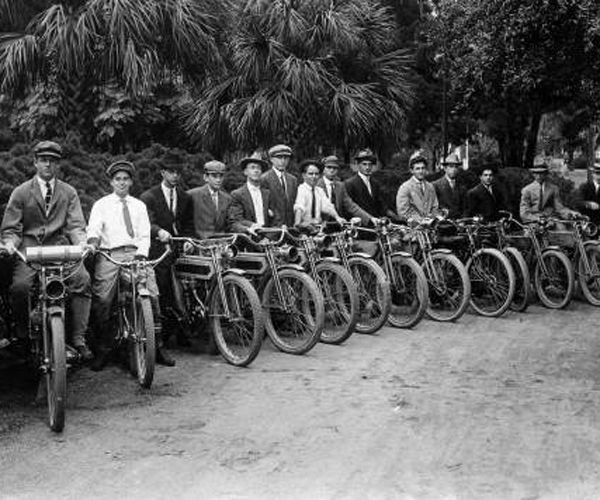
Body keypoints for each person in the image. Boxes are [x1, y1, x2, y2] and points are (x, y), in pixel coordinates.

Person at [0, 140, 93, 360]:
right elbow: (11, 228)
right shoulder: (21, 192)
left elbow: (76, 225)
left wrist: (81, 243)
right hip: (30, 253)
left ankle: (78, 339)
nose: (48, 165)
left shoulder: (68, 192)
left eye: (52, 161)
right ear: (35, 163)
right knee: (20, 288)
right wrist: (11, 244)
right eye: (43, 160)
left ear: (58, 164)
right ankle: (23, 334)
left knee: (82, 280)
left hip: (60, 252)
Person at [86, 160, 162, 371]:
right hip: (110, 254)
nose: (122, 183)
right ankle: (104, 347)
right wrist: (93, 242)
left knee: (152, 294)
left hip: (135, 253)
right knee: (102, 298)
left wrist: (141, 255)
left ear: (131, 182)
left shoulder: (139, 205)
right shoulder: (101, 204)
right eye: (117, 179)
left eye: (125, 179)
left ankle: (156, 345)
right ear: (111, 182)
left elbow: (145, 234)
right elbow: (93, 229)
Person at [140, 150, 194, 360]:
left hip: (179, 247)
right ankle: (163, 333)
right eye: (171, 172)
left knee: (190, 285)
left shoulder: (185, 197)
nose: (175, 176)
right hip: (157, 249)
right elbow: (147, 223)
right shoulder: (149, 196)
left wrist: (189, 240)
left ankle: (185, 326)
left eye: (178, 172)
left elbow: (189, 225)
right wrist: (158, 232)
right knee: (162, 286)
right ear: (162, 173)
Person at [227, 153, 282, 234]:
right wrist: (252, 226)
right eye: (252, 168)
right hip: (247, 236)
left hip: (267, 237)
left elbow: (276, 219)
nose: (256, 171)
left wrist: (269, 237)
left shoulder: (268, 194)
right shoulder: (237, 194)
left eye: (259, 168)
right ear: (245, 172)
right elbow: (237, 220)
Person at [317, 155, 378, 226]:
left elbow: (351, 206)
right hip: (321, 226)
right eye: (329, 167)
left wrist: (370, 218)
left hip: (339, 226)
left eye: (335, 168)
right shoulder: (317, 185)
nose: (332, 170)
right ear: (323, 169)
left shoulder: (340, 186)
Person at [293, 159, 346, 229]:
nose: (314, 177)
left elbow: (327, 206)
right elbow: (299, 207)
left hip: (317, 228)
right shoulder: (301, 189)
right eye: (310, 174)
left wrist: (338, 217)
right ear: (303, 175)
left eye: (316, 174)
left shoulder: (319, 191)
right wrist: (298, 223)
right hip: (304, 228)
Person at [345, 149, 395, 219]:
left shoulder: (375, 184)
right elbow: (348, 207)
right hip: (359, 225)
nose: (367, 167)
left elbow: (380, 205)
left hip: (376, 224)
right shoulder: (350, 184)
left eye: (370, 164)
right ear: (358, 165)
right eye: (364, 164)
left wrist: (390, 215)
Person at [188, 160, 233, 238]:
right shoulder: (192, 195)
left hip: (221, 244)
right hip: (198, 243)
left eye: (221, 176)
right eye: (214, 176)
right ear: (206, 177)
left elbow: (230, 223)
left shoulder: (227, 198)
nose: (218, 180)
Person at [396, 151, 442, 223]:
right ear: (412, 171)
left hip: (430, 226)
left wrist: (432, 217)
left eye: (423, 168)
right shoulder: (405, 187)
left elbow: (435, 206)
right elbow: (402, 212)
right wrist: (420, 220)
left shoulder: (430, 187)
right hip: (412, 228)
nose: (421, 171)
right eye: (417, 169)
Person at [260, 144, 298, 226]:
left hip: (290, 226)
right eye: (279, 158)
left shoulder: (293, 180)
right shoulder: (265, 179)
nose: (283, 161)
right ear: (271, 159)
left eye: (286, 158)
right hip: (273, 227)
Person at [433, 152, 466, 219]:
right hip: (442, 224)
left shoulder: (462, 187)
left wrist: (463, 220)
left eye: (456, 167)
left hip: (459, 224)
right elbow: (433, 209)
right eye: (451, 167)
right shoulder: (435, 185)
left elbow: (465, 208)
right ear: (445, 168)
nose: (453, 169)